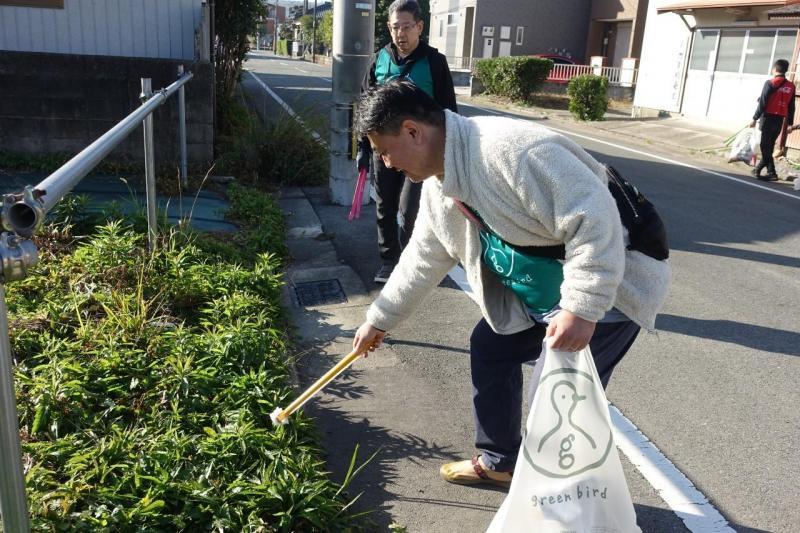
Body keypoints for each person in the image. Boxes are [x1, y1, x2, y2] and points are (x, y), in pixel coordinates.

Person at [351, 80, 671, 486]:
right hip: (541, 293)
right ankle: (501, 462)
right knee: (491, 346)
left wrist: (581, 309)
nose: (387, 163)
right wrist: (379, 320)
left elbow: (596, 222)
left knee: (555, 407)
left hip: (609, 289)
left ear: (413, 131)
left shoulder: (515, 152)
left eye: (384, 150)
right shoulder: (439, 184)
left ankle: (558, 503)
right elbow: (422, 259)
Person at [357, 0, 458, 283]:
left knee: (412, 209)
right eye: (395, 27)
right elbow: (364, 106)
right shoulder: (379, 59)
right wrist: (362, 148)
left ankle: (412, 259)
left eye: (406, 27)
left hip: (421, 152)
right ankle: (389, 261)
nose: (400, 33)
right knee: (384, 205)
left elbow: (449, 110)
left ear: (420, 27)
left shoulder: (434, 62)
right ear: (389, 28)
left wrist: (450, 152)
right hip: (385, 149)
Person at [749, 59, 796, 182]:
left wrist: (754, 118)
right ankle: (760, 170)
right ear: (785, 70)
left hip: (768, 118)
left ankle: (770, 172)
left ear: (774, 69)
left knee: (765, 147)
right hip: (779, 120)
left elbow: (763, 104)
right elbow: (791, 107)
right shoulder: (791, 86)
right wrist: (790, 124)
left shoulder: (770, 83)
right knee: (768, 147)